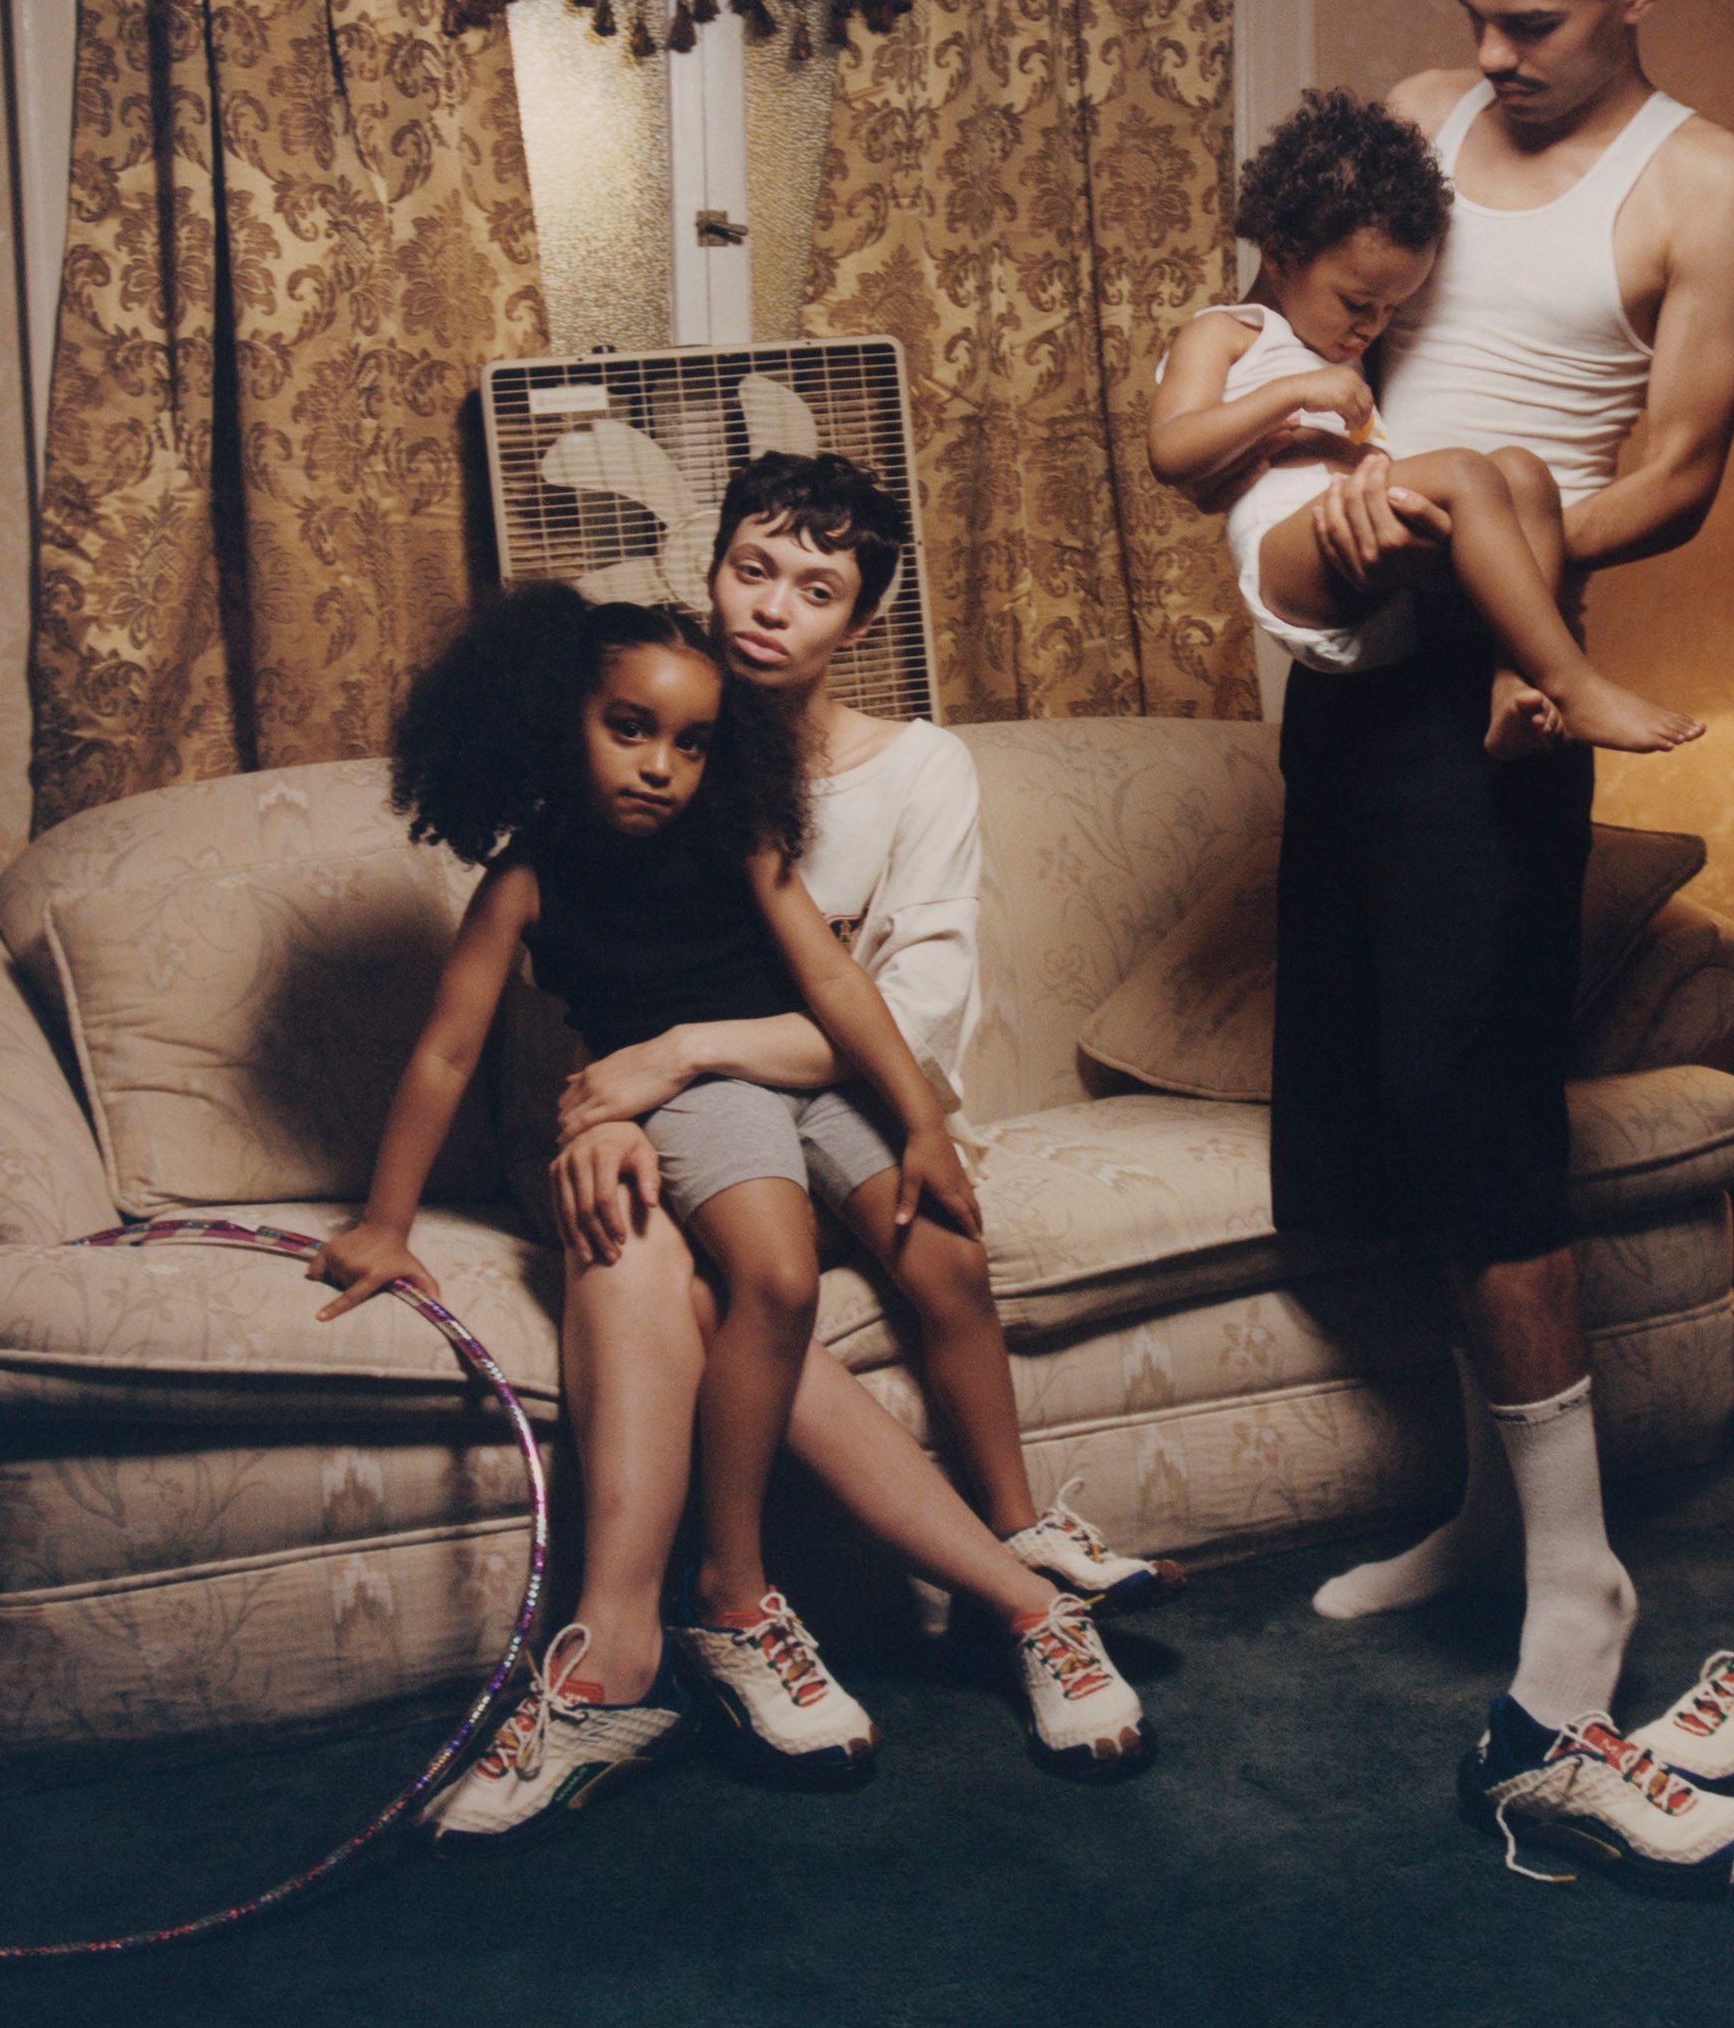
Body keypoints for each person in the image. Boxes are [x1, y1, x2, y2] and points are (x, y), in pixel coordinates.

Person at [1270, 0, 1734, 1893]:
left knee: (1484, 1122)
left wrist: (1493, 553)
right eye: (1472, 16)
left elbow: (1676, 468)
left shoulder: (1706, 180)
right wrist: (1323, 485)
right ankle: (1490, 1517)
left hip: (1501, 685)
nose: (1486, 58)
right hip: (1340, 669)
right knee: (1391, 1108)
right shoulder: (1422, 109)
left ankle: (1577, 1578)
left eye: (1533, 24)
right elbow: (1317, 330)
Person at [315, 584, 1143, 1849]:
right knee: (773, 1277)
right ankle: (737, 1591)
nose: (661, 765)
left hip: (793, 1080)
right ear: (554, 719)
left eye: (692, 742)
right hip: (686, 1108)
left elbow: (836, 986)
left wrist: (923, 1121)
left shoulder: (741, 840)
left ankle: (1016, 1579)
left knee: (937, 1248)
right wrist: (386, 1223)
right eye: (628, 729)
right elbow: (445, 1052)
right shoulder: (525, 880)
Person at [550, 453, 1187, 1628]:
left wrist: (688, 1048)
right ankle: (739, 1588)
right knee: (740, 1264)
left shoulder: (916, 766)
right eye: (750, 570)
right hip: (709, 1122)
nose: (770, 608)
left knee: (942, 1246)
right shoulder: (667, 746)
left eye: (815, 590)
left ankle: (1017, 1527)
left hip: (835, 1089)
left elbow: (913, 1006)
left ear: (860, 621)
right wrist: (617, 1097)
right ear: (711, 569)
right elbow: (596, 948)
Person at [1147, 88, 1702, 756]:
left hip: (1393, 595)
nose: (1371, 327)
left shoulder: (1337, 346)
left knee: (1523, 471)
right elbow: (1171, 451)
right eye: (1358, 303)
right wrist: (1290, 392)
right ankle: (1573, 685)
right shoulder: (1224, 332)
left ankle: (1514, 679)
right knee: (1467, 470)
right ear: (1281, 254)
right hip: (1287, 555)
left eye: (1391, 309)